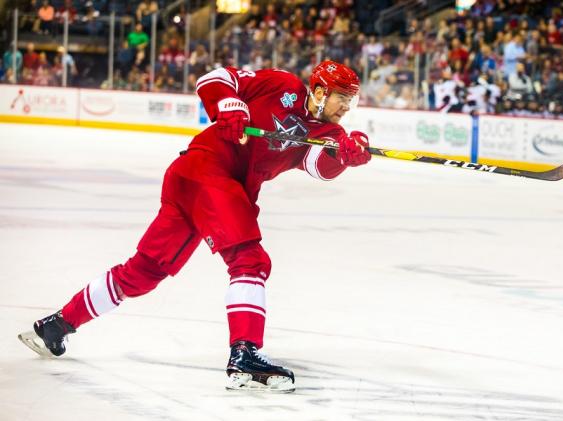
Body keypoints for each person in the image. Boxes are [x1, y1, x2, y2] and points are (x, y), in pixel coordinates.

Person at [17, 60, 371, 393]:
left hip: (201, 183)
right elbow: (214, 79)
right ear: (321, 91)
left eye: (350, 101)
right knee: (250, 261)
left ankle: (57, 325)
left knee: (143, 272)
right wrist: (228, 106)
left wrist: (344, 156)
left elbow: (318, 165)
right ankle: (244, 357)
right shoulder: (281, 84)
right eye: (343, 98)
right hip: (207, 171)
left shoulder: (327, 131)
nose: (346, 107)